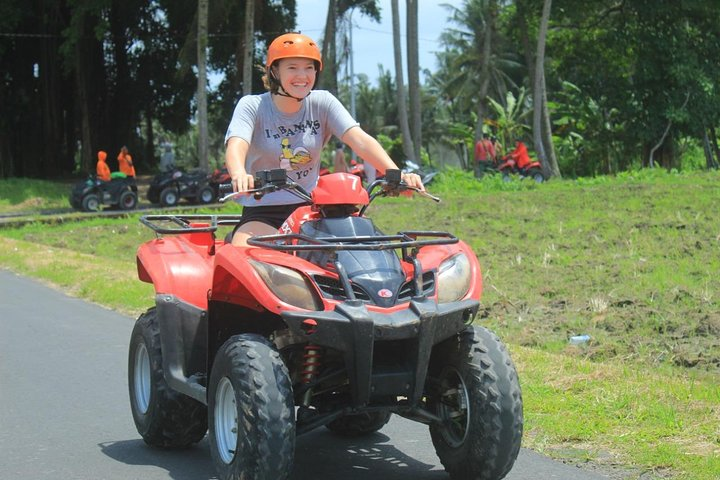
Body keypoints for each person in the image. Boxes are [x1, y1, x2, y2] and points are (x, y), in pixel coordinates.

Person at [224, 32, 423, 246]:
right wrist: (239, 174)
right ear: (274, 71)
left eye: (309, 67)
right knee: (248, 257)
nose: (302, 75)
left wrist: (397, 174)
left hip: (314, 210)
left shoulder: (323, 103)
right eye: (292, 67)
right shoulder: (253, 106)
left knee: (361, 253)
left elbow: (360, 140)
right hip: (264, 211)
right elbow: (237, 144)